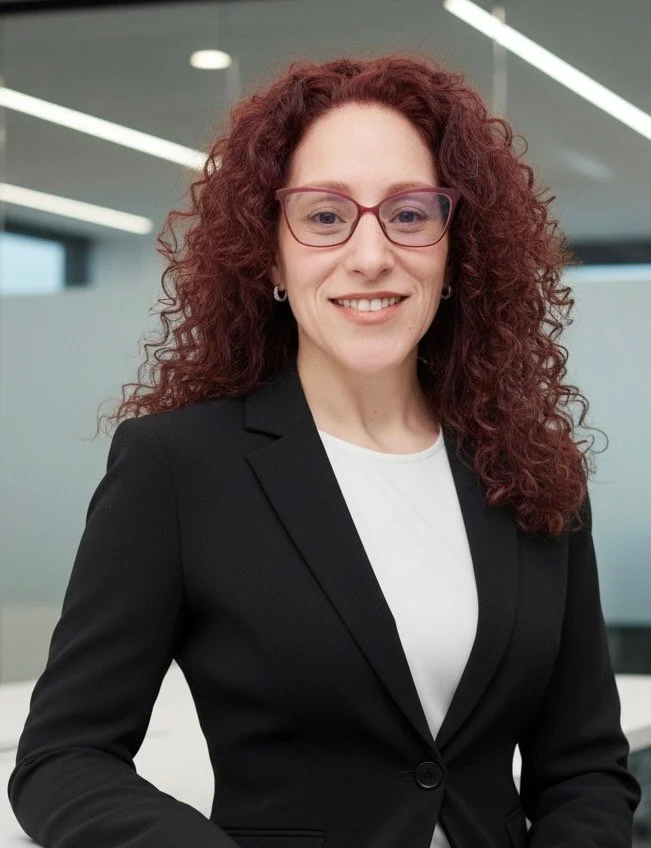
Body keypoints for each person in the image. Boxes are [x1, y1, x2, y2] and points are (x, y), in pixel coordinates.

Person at [8, 54, 641, 848]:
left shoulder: (529, 468)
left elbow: (583, 768)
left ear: (456, 250)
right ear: (269, 252)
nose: (370, 256)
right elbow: (65, 758)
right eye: (323, 215)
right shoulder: (177, 469)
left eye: (409, 214)